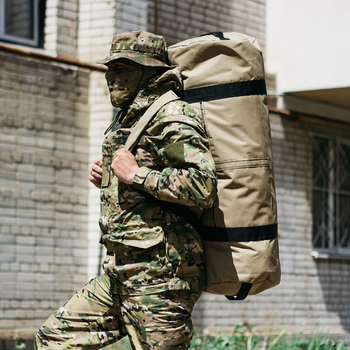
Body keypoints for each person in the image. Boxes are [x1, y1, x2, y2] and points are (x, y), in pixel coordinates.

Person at [34, 30, 217, 350]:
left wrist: (135, 175)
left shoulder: (171, 113)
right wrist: (108, 178)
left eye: (124, 68)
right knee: (54, 337)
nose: (113, 76)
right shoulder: (127, 119)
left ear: (150, 72)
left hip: (161, 278)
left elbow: (202, 185)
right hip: (120, 272)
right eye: (111, 68)